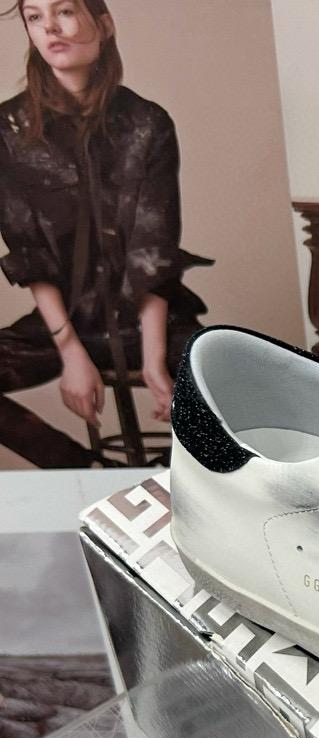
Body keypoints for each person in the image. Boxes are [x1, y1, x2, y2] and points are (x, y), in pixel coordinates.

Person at [0, 0, 211, 468]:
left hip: (150, 320)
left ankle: (177, 482)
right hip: (65, 321)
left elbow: (152, 251)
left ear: (104, 24)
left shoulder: (147, 122)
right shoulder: (8, 129)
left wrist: (154, 360)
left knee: (234, 378)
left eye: (64, 11)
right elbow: (30, 254)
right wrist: (70, 350)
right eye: (34, 17)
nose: (50, 27)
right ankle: (86, 472)